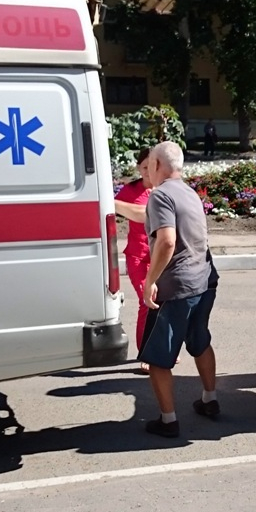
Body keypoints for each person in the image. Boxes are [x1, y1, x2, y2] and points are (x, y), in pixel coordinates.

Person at [139, 141, 219, 438]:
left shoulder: (159, 195)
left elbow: (167, 241)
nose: (146, 170)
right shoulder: (189, 193)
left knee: (158, 358)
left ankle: (168, 420)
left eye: (148, 165)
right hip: (203, 282)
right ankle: (210, 400)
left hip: (176, 289)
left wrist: (150, 281)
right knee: (200, 342)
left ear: (158, 165)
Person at [114, 148, 153, 372]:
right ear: (138, 167)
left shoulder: (166, 189)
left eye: (153, 166)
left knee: (165, 304)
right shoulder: (130, 190)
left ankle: (164, 349)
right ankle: (146, 353)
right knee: (147, 303)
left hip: (163, 256)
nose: (148, 171)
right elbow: (108, 207)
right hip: (138, 256)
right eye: (144, 166)